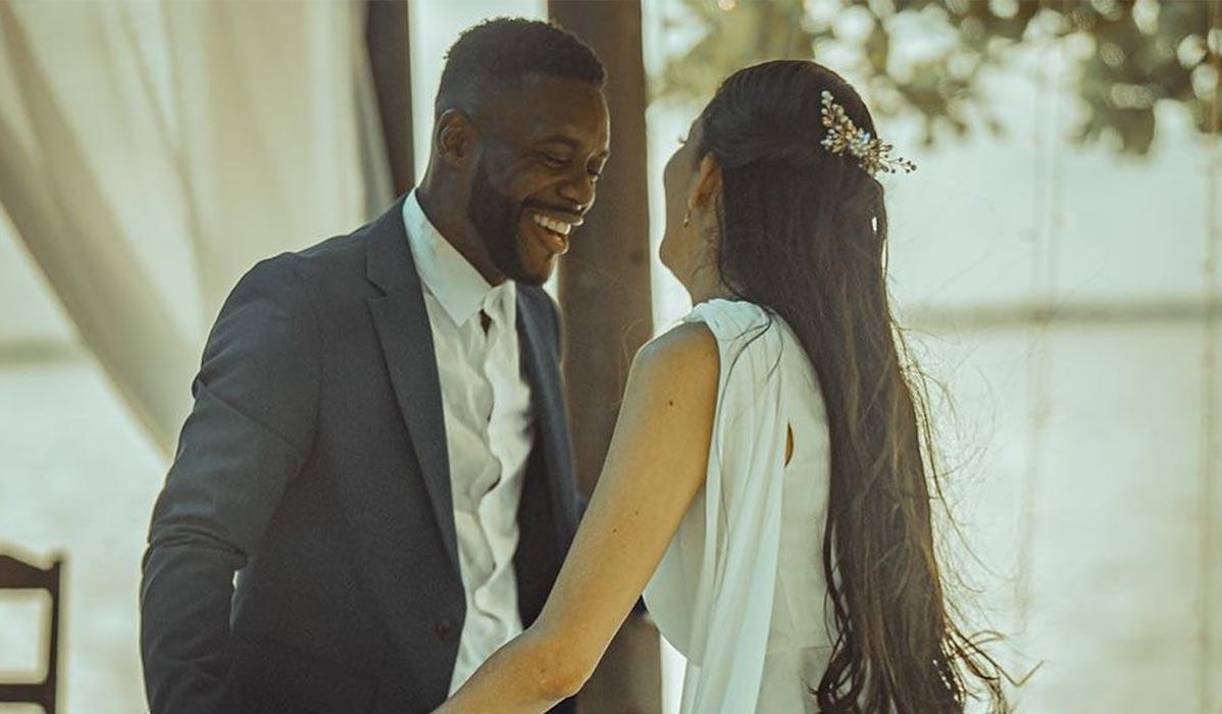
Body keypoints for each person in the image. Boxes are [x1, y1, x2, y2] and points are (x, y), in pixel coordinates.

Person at [434, 60, 1009, 714]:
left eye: (684, 141)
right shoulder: (851, 370)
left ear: (706, 181)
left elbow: (558, 661)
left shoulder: (701, 359)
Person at [139, 18, 609, 714]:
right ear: (456, 141)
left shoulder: (538, 321)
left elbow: (528, 532)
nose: (581, 194)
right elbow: (194, 544)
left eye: (594, 168)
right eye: (554, 157)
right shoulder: (304, 305)